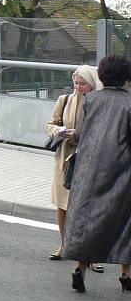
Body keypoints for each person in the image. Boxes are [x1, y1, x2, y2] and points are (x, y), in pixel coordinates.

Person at [62, 54, 131, 293]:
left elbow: (80, 133)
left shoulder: (91, 99)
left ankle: (81, 267)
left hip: (88, 168)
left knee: (85, 219)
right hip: (122, 170)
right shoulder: (130, 102)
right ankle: (126, 274)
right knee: (125, 221)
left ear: (101, 74)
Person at [45, 65, 102, 266]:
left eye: (82, 83)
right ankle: (64, 245)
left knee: (90, 208)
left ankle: (93, 255)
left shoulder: (100, 103)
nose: (78, 87)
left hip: (90, 160)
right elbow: (50, 124)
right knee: (63, 206)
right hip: (65, 160)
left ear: (93, 84)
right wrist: (57, 131)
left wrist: (78, 134)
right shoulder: (64, 100)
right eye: (75, 83)